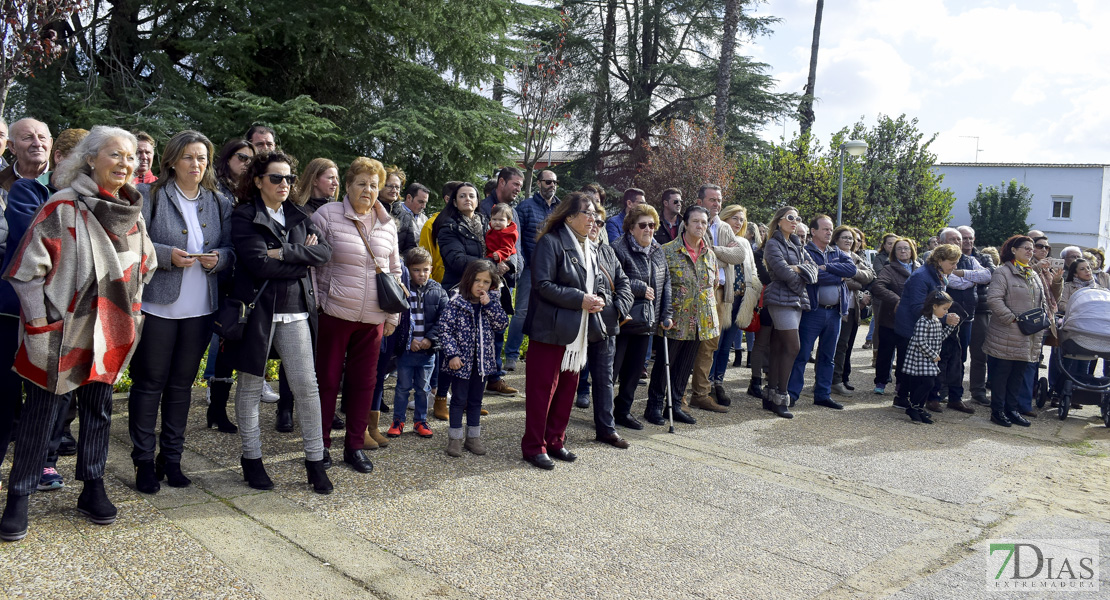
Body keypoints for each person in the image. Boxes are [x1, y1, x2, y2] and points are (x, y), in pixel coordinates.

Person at [0, 126, 157, 541]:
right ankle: (19, 496)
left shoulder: (132, 212)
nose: (125, 164)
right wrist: (39, 325)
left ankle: (93, 487)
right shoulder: (62, 207)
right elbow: (25, 273)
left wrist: (132, 312)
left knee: (98, 411)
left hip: (111, 331)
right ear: (89, 159)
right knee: (40, 416)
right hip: (61, 335)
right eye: (114, 155)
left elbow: (147, 265)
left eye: (129, 157)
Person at [126, 131, 233, 494]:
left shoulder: (218, 202)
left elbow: (233, 249)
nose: (196, 164)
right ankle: (143, 460)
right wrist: (165, 254)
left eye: (202, 158)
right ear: (171, 160)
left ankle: (171, 459)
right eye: (188, 157)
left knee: (181, 386)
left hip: (200, 308)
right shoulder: (149, 195)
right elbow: (132, 242)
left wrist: (220, 259)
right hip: (157, 306)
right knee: (149, 383)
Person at [226, 151, 333, 493]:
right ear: (258, 181)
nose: (284, 184)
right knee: (251, 387)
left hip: (296, 309)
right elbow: (258, 264)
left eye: (288, 178)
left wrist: (285, 253)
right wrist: (302, 258)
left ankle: (315, 462)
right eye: (276, 178)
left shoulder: (299, 215)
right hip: (257, 311)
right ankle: (251, 460)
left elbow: (324, 253)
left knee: (307, 387)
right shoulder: (244, 216)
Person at [311, 157, 401, 468]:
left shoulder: (388, 224)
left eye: (374, 185)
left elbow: (394, 270)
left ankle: (354, 445)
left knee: (365, 383)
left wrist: (392, 316)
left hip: (373, 319)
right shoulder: (327, 215)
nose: (368, 190)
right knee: (327, 382)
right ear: (348, 186)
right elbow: (312, 263)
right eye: (361, 183)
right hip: (335, 314)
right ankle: (319, 446)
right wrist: (320, 302)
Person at [521, 192, 604, 470]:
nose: (593, 218)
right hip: (550, 328)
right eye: (588, 213)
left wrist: (598, 297)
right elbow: (542, 285)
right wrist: (580, 298)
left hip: (577, 331)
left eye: (595, 214)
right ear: (569, 216)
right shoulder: (551, 242)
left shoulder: (590, 247)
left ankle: (555, 440)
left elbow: (597, 281)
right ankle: (534, 446)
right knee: (542, 391)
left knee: (568, 389)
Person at [435, 181, 518, 397]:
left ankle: (486, 385)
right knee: (457, 346)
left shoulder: (488, 222)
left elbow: (511, 249)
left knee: (491, 338)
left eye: (472, 195)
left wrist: (509, 263)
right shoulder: (448, 226)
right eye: (462, 196)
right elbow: (456, 259)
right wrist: (491, 263)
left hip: (489, 289)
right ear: (454, 201)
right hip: (460, 290)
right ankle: (443, 397)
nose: (467, 199)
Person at [644, 205, 719, 425]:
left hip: (700, 321)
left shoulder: (709, 254)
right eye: (695, 221)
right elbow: (658, 286)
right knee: (665, 365)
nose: (700, 226)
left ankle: (675, 405)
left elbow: (711, 287)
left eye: (704, 222)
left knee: (685, 366)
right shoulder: (666, 251)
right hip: (674, 320)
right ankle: (654, 406)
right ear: (685, 224)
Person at [611, 204, 672, 431]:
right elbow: (611, 278)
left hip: (647, 321)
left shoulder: (658, 250)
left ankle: (623, 411)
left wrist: (666, 314)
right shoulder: (618, 248)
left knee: (635, 371)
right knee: (612, 371)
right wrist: (638, 286)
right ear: (631, 228)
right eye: (643, 225)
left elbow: (666, 284)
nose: (649, 229)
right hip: (623, 319)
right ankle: (605, 414)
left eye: (652, 225)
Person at [439, 260, 508, 457]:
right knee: (459, 400)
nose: (481, 285)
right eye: (477, 280)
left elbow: (501, 324)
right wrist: (452, 354)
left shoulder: (491, 302)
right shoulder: (456, 303)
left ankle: (473, 438)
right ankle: (454, 439)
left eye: (486, 282)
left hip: (483, 364)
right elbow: (445, 330)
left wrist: (489, 306)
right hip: (460, 363)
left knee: (476, 400)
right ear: (468, 280)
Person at [787, 215, 857, 409]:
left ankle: (823, 394)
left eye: (830, 229)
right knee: (802, 354)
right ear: (813, 231)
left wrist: (827, 267)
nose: (829, 232)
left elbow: (851, 270)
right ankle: (792, 394)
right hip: (813, 312)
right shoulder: (805, 251)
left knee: (828, 356)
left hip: (834, 313)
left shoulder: (836, 251)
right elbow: (812, 277)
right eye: (825, 229)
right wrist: (838, 276)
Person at [578, 202, 633, 447]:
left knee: (604, 377)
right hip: (576, 320)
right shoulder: (571, 247)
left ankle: (606, 428)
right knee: (567, 376)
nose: (596, 226)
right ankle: (554, 430)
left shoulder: (608, 251)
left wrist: (618, 308)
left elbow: (624, 283)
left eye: (600, 222)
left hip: (605, 322)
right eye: (592, 220)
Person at [983, 235, 1050, 427]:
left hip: (1028, 334)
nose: (1030, 251)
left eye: (1032, 248)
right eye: (1026, 248)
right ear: (1013, 250)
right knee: (1002, 375)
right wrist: (1012, 319)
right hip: (1007, 332)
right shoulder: (1002, 272)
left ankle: (1011, 410)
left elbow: (1041, 301)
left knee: (1018, 375)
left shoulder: (1033, 273)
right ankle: (997, 411)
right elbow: (994, 299)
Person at [386, 247, 448, 439]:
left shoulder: (438, 291)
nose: (422, 274)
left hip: (427, 352)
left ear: (431, 269)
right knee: (402, 387)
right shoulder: (403, 290)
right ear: (408, 270)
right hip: (407, 350)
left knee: (423, 389)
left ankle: (420, 421)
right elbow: (399, 318)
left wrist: (430, 339)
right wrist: (409, 340)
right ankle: (398, 420)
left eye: (425, 269)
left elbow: (444, 320)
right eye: (416, 270)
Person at [892, 244, 962, 413]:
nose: (955, 267)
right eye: (952, 263)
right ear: (939, 260)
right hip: (910, 328)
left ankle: (914, 402)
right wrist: (945, 318)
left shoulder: (937, 275)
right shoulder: (921, 276)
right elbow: (918, 308)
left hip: (922, 328)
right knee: (909, 368)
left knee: (918, 370)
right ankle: (903, 399)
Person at [762, 206, 817, 418]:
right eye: (790, 218)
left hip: (795, 300)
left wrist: (798, 270)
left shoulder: (798, 244)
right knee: (793, 346)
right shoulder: (773, 244)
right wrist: (799, 274)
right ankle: (781, 396)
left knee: (779, 346)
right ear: (779, 221)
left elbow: (813, 271)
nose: (795, 221)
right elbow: (782, 271)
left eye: (798, 218)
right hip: (780, 299)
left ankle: (771, 396)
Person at [933, 228, 989, 414]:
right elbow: (950, 282)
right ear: (942, 242)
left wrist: (963, 274)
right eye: (953, 239)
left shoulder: (971, 259)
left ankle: (955, 396)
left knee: (959, 357)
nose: (959, 242)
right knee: (941, 355)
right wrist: (972, 279)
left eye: (960, 239)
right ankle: (939, 393)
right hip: (943, 317)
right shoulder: (934, 261)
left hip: (966, 317)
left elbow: (987, 276)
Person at [709, 203, 761, 404]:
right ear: (725, 218)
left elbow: (753, 269)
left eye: (741, 219)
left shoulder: (744, 242)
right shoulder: (719, 236)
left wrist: (753, 291)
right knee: (715, 343)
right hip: (723, 296)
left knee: (727, 345)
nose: (738, 223)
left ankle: (718, 382)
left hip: (741, 297)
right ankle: (706, 383)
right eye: (734, 218)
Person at [503, 167, 547, 372]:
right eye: (547, 182)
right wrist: (523, 264)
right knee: (521, 312)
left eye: (555, 182)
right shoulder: (526, 206)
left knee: (544, 314)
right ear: (538, 183)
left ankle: (536, 354)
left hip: (550, 271)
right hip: (529, 268)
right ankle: (511, 354)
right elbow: (516, 238)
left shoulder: (559, 208)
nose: (552, 186)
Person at [902, 292, 960, 424]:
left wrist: (951, 326)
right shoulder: (924, 320)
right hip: (920, 358)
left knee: (928, 384)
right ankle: (913, 407)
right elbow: (919, 340)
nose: (946, 312)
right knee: (927, 383)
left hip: (928, 358)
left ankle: (919, 408)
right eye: (944, 309)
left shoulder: (936, 321)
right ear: (934, 306)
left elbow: (939, 338)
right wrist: (933, 355)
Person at [831, 226, 874, 396]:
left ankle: (838, 379)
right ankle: (829, 380)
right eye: (845, 237)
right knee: (832, 346)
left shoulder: (856, 257)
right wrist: (857, 282)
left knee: (844, 346)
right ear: (836, 239)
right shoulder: (832, 254)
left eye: (851, 238)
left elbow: (870, 276)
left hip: (851, 308)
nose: (849, 241)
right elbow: (835, 277)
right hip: (835, 306)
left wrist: (851, 275)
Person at [872, 238, 916, 396]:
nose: (903, 251)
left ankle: (901, 384)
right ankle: (881, 381)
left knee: (905, 354)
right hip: (890, 318)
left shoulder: (919, 268)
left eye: (906, 248)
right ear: (893, 252)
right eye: (899, 249)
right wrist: (897, 300)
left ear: (912, 251)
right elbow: (878, 286)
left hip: (911, 319)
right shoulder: (889, 268)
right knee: (885, 353)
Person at [958, 225, 996, 406]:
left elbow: (991, 275)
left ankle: (978, 391)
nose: (967, 241)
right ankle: (949, 390)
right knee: (955, 354)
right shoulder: (950, 256)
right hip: (955, 308)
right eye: (963, 238)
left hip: (980, 308)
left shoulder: (983, 257)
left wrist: (964, 276)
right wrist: (976, 277)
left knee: (980, 354)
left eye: (970, 238)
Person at [863, 234, 898, 351]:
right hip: (881, 298)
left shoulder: (901, 258)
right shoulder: (880, 258)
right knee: (879, 326)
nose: (892, 246)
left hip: (897, 297)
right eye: (889, 243)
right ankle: (876, 355)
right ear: (884, 245)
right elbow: (880, 274)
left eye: (894, 244)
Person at [486, 202, 519, 314]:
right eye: (494, 219)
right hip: (492, 259)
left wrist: (500, 255)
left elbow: (508, 248)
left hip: (503, 262)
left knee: (500, 293)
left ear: (508, 222)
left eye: (501, 220)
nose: (497, 223)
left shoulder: (508, 233)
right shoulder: (492, 231)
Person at [394, 182, 430, 253]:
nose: (424, 206)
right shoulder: (394, 214)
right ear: (409, 198)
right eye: (421, 202)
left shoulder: (425, 219)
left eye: (425, 203)